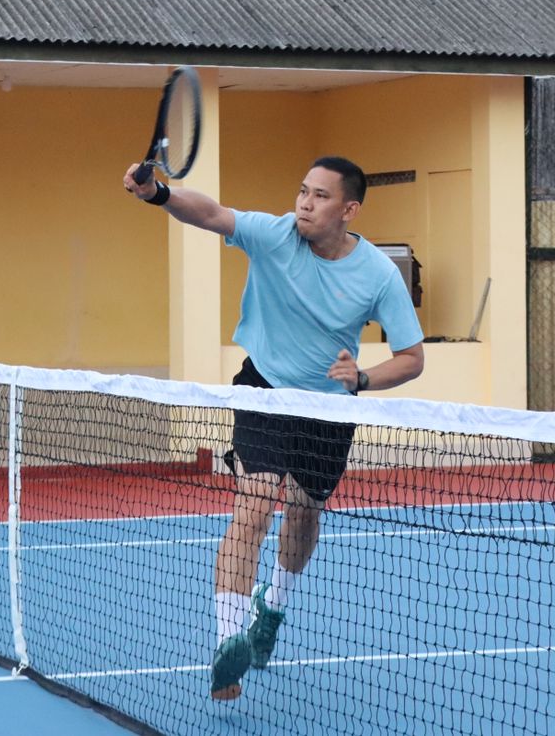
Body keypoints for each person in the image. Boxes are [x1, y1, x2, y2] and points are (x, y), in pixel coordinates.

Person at [123, 155, 425, 701]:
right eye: (302, 191)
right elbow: (211, 213)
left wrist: (362, 379)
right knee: (256, 503)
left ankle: (272, 607)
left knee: (304, 518)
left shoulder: (378, 273)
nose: (304, 203)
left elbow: (411, 358)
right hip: (262, 389)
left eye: (320, 196)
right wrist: (159, 195)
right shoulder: (274, 234)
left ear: (349, 210)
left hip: (328, 409)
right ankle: (228, 642)